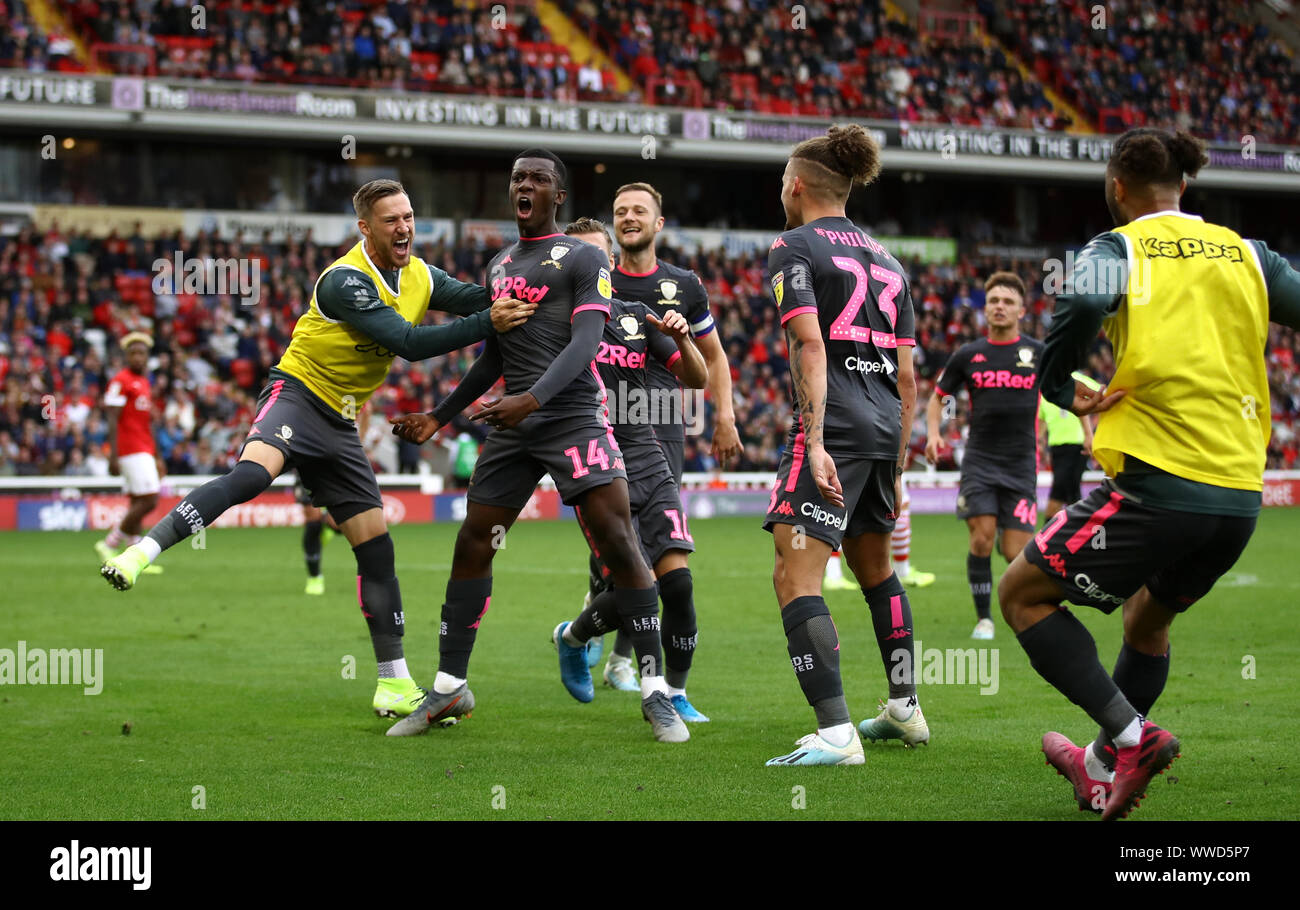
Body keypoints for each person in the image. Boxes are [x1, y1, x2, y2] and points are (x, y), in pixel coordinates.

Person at [101, 179, 534, 721]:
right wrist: (486, 323)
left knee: (376, 548)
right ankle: (142, 550)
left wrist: (532, 289)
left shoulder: (422, 274)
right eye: (391, 220)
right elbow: (408, 342)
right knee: (251, 478)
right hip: (298, 394)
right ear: (365, 228)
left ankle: (393, 684)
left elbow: (481, 297)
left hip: (341, 423)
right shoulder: (342, 281)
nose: (404, 227)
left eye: (408, 216)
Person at [999, 127, 1300, 820]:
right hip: (1240, 495)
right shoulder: (1251, 256)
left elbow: (1076, 304)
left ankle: (1133, 738)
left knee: (1021, 594)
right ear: (1184, 188)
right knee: (1146, 621)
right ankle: (1101, 764)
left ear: (1117, 188)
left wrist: (1054, 380)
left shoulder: (1119, 247)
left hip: (1162, 480)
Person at [387, 150, 690, 744]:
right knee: (474, 542)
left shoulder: (583, 257)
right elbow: (495, 357)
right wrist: (438, 418)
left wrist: (534, 400)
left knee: (622, 546)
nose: (524, 185)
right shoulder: (501, 264)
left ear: (558, 197)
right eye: (518, 178)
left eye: (538, 179)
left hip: (573, 415)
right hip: (515, 424)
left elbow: (586, 340)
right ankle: (448, 689)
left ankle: (656, 695)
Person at [761, 124, 923, 767]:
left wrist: (816, 440)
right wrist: (900, 462)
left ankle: (835, 731)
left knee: (794, 574)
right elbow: (909, 376)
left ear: (797, 185)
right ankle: (904, 708)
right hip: (884, 429)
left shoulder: (793, 245)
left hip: (838, 429)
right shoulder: (890, 260)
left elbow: (809, 344)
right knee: (876, 569)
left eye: (781, 183)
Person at [545, 218, 710, 721]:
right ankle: (576, 639)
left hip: (646, 455)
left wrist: (684, 340)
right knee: (640, 588)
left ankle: (675, 694)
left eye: (598, 257)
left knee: (678, 585)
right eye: (578, 256)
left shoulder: (638, 316)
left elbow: (696, 380)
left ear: (611, 266)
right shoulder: (550, 326)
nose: (590, 266)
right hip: (594, 466)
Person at [589, 181, 742, 693]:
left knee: (659, 557)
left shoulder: (684, 285)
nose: (628, 217)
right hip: (607, 426)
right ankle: (594, 629)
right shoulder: (596, 280)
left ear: (658, 223)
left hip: (664, 426)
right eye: (620, 211)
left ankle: (620, 660)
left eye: (639, 210)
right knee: (616, 556)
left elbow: (713, 357)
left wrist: (725, 418)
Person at [924, 272, 1043, 640]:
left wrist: (1088, 427)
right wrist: (937, 431)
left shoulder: (1039, 354)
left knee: (1015, 552)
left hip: (1021, 463)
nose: (1000, 307)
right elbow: (943, 397)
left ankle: (1030, 608)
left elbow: (1065, 391)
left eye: (1008, 302)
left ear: (1022, 310)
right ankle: (984, 619)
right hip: (979, 462)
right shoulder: (969, 355)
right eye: (993, 301)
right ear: (985, 309)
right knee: (981, 538)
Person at [94, 332, 164, 576]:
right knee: (150, 499)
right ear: (126, 356)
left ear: (147, 357)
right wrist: (113, 453)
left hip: (143, 447)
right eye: (133, 352)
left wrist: (157, 455)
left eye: (142, 353)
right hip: (130, 448)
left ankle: (133, 555)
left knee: (138, 501)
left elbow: (147, 423)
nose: (138, 357)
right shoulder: (120, 380)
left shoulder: (144, 383)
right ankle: (109, 543)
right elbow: (112, 419)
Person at [824, 468, 935, 590]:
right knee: (898, 503)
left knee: (840, 500)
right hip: (878, 455)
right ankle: (902, 570)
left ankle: (833, 573)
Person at [1038, 385, 1095, 522]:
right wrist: (1040, 443)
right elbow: (1042, 418)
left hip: (1076, 445)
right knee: (1072, 495)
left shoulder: (1076, 381)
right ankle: (1079, 533)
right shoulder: (1045, 386)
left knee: (1059, 493)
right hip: (1056, 448)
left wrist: (1088, 435)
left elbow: (1100, 394)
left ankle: (1047, 535)